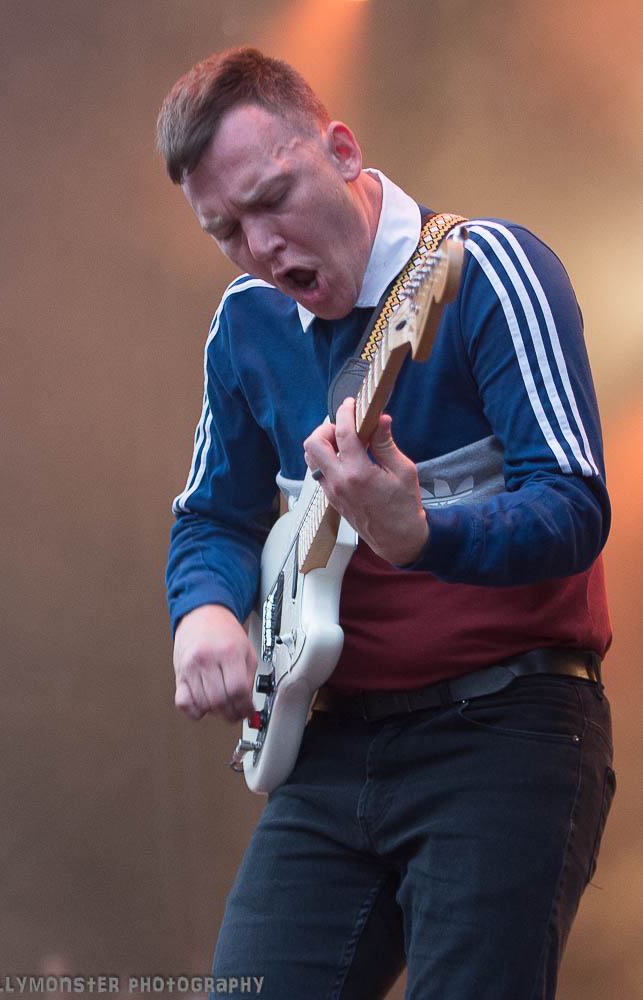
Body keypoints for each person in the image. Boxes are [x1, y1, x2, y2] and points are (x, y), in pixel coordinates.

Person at [157, 47, 615, 999]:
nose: (260, 246)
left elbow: (574, 507)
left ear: (341, 150)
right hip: (330, 747)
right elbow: (212, 517)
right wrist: (202, 613)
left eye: (272, 198)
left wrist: (426, 538)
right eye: (225, 230)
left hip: (505, 729)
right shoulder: (245, 324)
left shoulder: (487, 270)